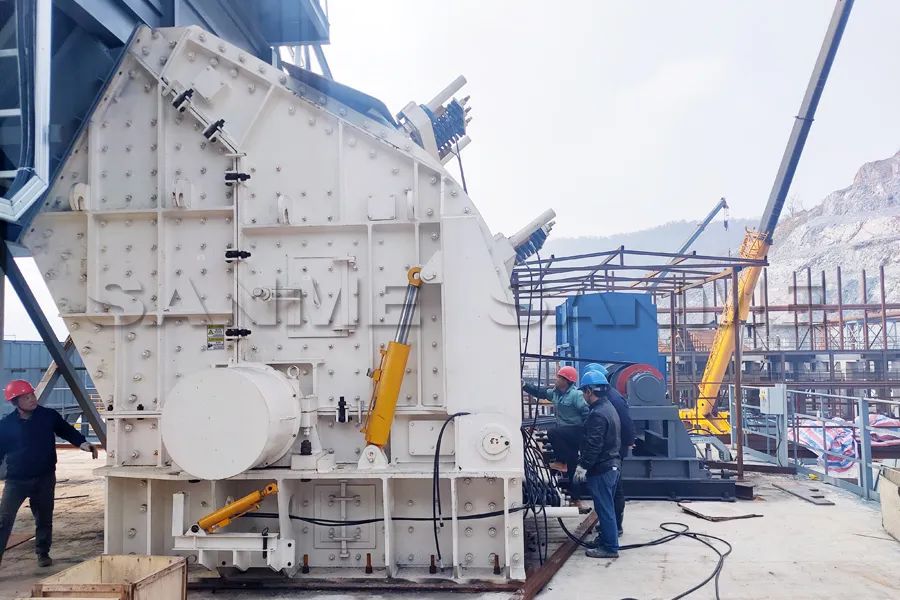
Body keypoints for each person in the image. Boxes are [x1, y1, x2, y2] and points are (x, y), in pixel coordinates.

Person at [0, 380, 99, 567]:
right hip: (16, 481)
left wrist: (82, 443)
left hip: (44, 477)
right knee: (3, 521)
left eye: (32, 395)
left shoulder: (47, 416)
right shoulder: (6, 425)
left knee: (44, 518)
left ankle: (43, 553)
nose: (32, 400)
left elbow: (66, 430)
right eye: (26, 397)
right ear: (15, 402)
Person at [572, 370, 621, 559]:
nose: (583, 395)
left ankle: (610, 547)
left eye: (584, 391)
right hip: (611, 465)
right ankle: (606, 539)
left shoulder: (598, 415)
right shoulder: (607, 407)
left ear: (590, 391)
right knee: (605, 507)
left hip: (602, 468)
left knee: (604, 508)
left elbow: (594, 444)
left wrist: (582, 466)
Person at [584, 365, 635, 536]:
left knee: (612, 495)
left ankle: (614, 530)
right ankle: (609, 529)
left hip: (612, 451)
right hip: (612, 448)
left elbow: (626, 423)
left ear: (590, 390)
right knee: (609, 497)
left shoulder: (611, 402)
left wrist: (628, 442)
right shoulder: (608, 401)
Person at [523, 366, 589, 495]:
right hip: (565, 435)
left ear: (566, 380)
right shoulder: (555, 393)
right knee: (572, 467)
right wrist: (524, 385)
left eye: (559, 377)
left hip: (576, 431)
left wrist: (586, 434)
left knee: (552, 432)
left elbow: (586, 413)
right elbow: (540, 392)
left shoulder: (576, 395)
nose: (556, 379)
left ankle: (561, 461)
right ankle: (576, 498)